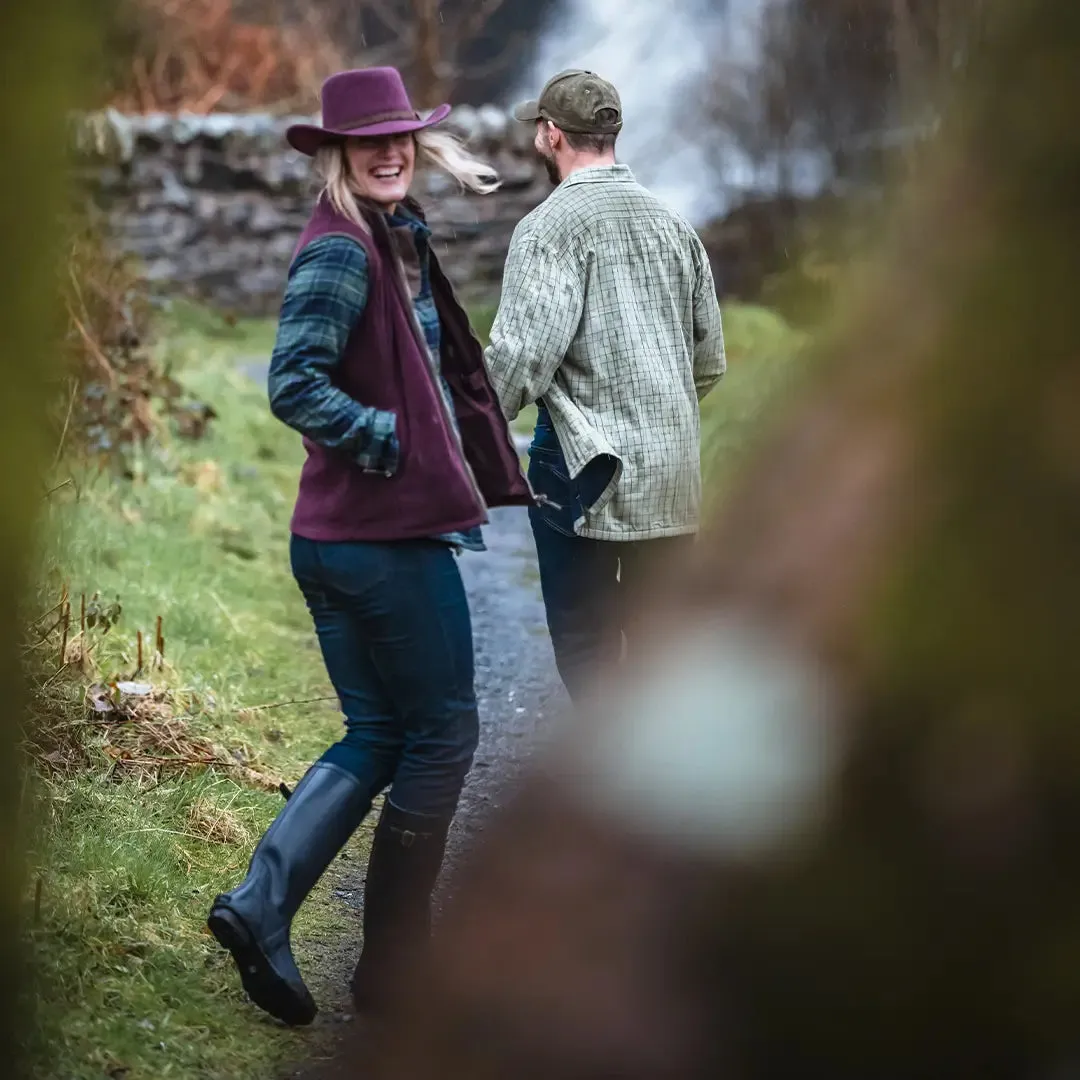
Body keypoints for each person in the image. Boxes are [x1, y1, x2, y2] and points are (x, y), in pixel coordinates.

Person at [206, 66, 533, 1027]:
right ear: (340, 154)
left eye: (401, 137)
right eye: (369, 140)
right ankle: (395, 969)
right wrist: (392, 441)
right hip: (382, 542)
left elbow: (429, 374)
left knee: (380, 733)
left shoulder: (387, 241)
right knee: (445, 733)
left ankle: (263, 904)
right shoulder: (343, 251)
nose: (390, 151)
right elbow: (293, 382)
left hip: (340, 540)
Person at [484, 69, 727, 701]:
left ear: (550, 135)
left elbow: (520, 360)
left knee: (586, 640)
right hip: (673, 470)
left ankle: (610, 783)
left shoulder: (548, 228)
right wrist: (656, 413)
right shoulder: (675, 226)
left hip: (583, 469)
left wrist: (467, 426)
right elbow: (710, 361)